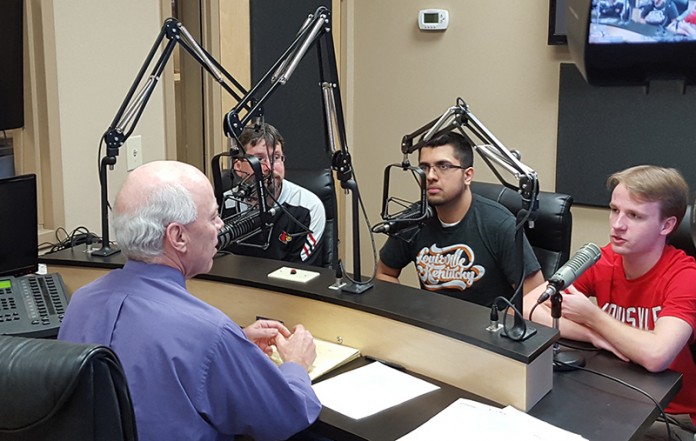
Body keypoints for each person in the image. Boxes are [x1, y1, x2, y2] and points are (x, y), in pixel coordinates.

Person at [58, 160, 322, 441]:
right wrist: (296, 364)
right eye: (212, 217)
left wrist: (236, 344)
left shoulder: (81, 303)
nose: (220, 226)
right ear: (177, 236)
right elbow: (284, 417)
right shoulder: (208, 332)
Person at [524, 165, 696, 440]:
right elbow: (530, 306)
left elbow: (656, 355)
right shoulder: (603, 258)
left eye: (634, 216)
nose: (617, 225)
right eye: (615, 210)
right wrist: (592, 334)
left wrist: (593, 317)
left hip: (670, 416)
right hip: (612, 394)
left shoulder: (685, 275)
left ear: (667, 225)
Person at [376, 131, 545, 308]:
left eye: (443, 166)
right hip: (431, 330)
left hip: (485, 330)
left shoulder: (499, 224)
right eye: (424, 167)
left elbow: (535, 300)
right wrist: (411, 313)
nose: (431, 176)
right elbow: (385, 273)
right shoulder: (414, 219)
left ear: (468, 175)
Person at [221, 122, 327, 266]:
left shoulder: (308, 207)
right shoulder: (225, 204)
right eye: (259, 159)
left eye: (276, 158)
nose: (269, 168)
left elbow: (301, 274)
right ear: (238, 166)